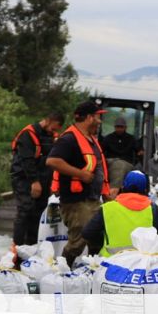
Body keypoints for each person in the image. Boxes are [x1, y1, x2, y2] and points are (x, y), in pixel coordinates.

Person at [46, 101, 111, 267]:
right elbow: (52, 161)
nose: (99, 121)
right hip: (77, 202)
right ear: (89, 118)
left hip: (91, 199)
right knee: (78, 241)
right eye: (98, 117)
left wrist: (105, 193)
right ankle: (59, 273)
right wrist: (80, 174)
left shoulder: (89, 139)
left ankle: (92, 271)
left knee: (97, 238)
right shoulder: (69, 139)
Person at [83, 170, 158, 256]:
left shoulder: (107, 208)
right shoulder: (153, 210)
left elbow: (88, 233)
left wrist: (103, 241)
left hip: (111, 263)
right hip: (141, 263)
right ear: (145, 190)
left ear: (123, 187)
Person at [10, 113, 63, 245]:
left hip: (44, 177)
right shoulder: (28, 134)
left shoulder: (52, 136)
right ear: (48, 120)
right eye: (53, 128)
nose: (54, 132)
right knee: (25, 210)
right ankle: (17, 246)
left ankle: (31, 246)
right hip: (24, 178)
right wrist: (34, 182)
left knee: (38, 212)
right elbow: (27, 161)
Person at [102, 116, 142, 194]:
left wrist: (140, 152)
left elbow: (139, 150)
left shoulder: (131, 139)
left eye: (121, 127)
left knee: (121, 165)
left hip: (126, 162)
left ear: (125, 128)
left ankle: (113, 191)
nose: (119, 129)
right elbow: (101, 151)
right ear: (114, 127)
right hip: (110, 162)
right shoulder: (108, 138)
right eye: (117, 127)